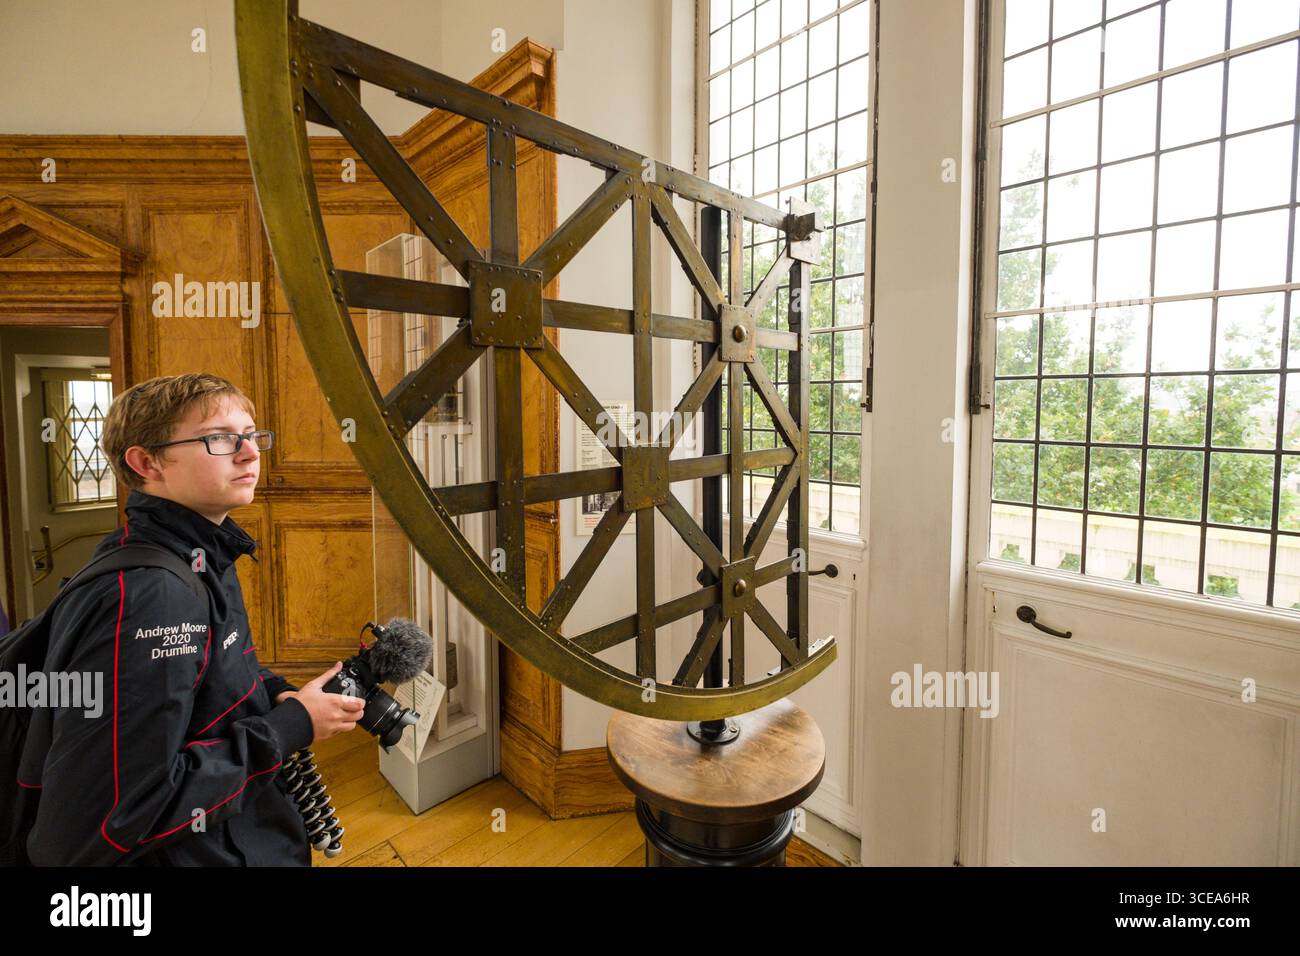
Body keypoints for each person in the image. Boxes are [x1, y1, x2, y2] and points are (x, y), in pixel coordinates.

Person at [18, 372, 365, 865]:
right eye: (219, 438)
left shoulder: (201, 555)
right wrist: (288, 728)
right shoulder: (152, 596)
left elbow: (206, 688)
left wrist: (276, 695)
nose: (249, 453)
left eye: (252, 435)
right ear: (146, 462)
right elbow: (101, 823)